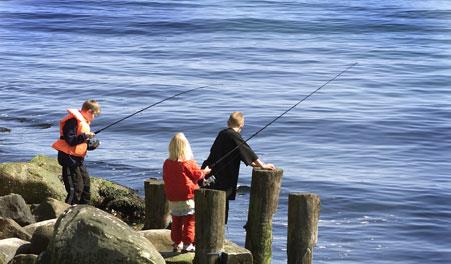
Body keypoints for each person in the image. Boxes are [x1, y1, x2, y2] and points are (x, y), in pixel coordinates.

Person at [202, 112, 275, 224]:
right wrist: (262, 165)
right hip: (222, 178)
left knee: (209, 208)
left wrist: (253, 164)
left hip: (209, 174)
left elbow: (241, 154)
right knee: (220, 211)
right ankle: (217, 235)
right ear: (242, 124)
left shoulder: (222, 134)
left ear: (228, 123)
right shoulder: (234, 136)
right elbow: (248, 151)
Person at [163, 132, 211, 253]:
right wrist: (205, 171)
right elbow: (198, 175)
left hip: (173, 198)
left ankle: (177, 243)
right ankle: (188, 244)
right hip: (188, 197)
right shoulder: (188, 163)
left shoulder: (167, 163)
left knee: (176, 221)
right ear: (186, 147)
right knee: (190, 221)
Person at [52, 100, 100, 205]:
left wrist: (91, 145)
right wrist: (85, 136)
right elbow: (71, 141)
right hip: (68, 158)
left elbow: (80, 144)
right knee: (76, 188)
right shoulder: (72, 121)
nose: (94, 118)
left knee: (86, 185)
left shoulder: (83, 122)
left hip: (77, 159)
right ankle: (67, 211)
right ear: (89, 111)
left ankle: (84, 210)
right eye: (94, 115)